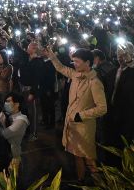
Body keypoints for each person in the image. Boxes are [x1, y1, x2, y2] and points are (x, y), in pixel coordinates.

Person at [43, 45, 107, 182]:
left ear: (88, 63)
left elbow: (102, 108)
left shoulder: (94, 82)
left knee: (88, 158)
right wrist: (52, 56)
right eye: (73, 61)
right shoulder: (75, 75)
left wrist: (81, 115)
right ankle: (81, 182)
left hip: (84, 126)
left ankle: (100, 187)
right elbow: (60, 68)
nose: (74, 64)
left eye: (77, 61)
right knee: (76, 155)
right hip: (71, 124)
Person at [0, 92, 29, 171]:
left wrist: (0, 121)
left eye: (8, 101)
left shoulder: (21, 120)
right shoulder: (9, 116)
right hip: (4, 157)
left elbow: (2, 135)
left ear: (17, 104)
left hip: (13, 160)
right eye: (5, 101)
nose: (6, 103)